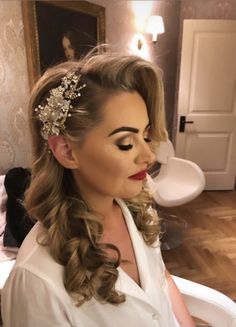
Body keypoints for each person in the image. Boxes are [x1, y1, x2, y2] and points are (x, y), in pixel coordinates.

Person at [1, 49, 195, 326]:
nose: (149, 156)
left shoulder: (138, 210)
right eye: (126, 143)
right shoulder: (38, 280)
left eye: (146, 135)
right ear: (67, 151)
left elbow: (160, 280)